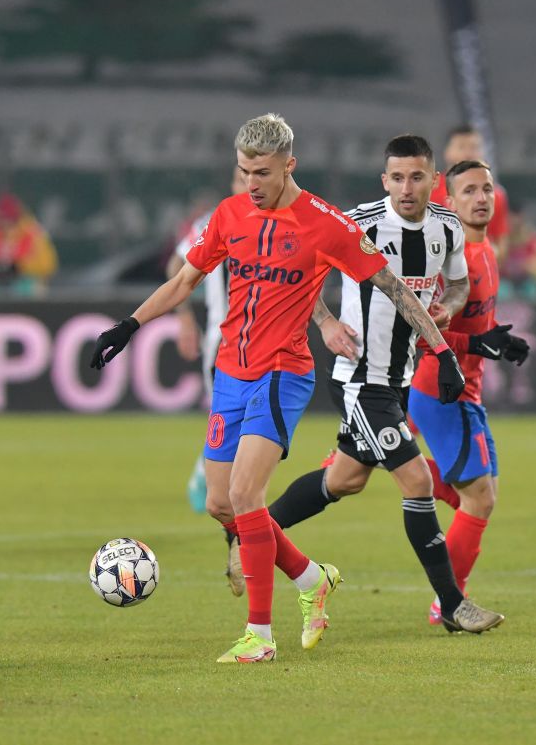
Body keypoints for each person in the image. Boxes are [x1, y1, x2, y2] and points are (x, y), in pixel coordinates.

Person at [91, 113, 475, 663]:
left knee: (248, 497)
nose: (252, 182)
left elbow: (392, 286)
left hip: (283, 373)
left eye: (263, 173)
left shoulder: (327, 225)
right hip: (230, 374)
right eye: (244, 170)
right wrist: (128, 325)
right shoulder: (229, 215)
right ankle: (310, 577)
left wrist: (439, 349)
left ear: (289, 166)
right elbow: (184, 280)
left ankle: (259, 636)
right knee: (221, 505)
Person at [268, 142, 513, 634]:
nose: (407, 188)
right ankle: (452, 605)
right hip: (360, 378)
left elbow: (459, 284)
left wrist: (446, 307)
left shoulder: (447, 228)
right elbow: (299, 269)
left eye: (417, 177)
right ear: (385, 181)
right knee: (418, 480)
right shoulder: (359, 223)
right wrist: (327, 323)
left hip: (398, 379)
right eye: (397, 178)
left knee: (344, 480)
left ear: (432, 179)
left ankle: (251, 532)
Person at [407, 160, 530, 623]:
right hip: (441, 391)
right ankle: (450, 601)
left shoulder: (487, 249)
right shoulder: (448, 263)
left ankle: (406, 468)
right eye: (469, 191)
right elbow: (426, 336)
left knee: (480, 495)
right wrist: (478, 343)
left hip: (467, 392)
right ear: (449, 202)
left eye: (487, 189)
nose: (481, 198)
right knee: (480, 496)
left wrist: (498, 337)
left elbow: (475, 322)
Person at [166, 169, 246, 518]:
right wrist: (184, 318)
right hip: (224, 342)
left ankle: (213, 478)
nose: (250, 185)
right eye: (242, 178)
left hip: (266, 344)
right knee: (232, 424)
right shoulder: (217, 220)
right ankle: (206, 476)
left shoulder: (281, 222)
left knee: (248, 426)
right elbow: (176, 264)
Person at [429, 125, 509, 258]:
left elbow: (501, 247)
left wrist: (483, 253)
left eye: (474, 148)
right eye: (461, 147)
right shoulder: (429, 191)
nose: (468, 153)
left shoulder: (496, 195)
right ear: (447, 152)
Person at [0, 192, 58, 296]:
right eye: (1, 218)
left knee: (36, 287)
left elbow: (48, 267)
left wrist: (20, 265)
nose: (5, 223)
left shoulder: (33, 233)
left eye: (9, 219)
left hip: (26, 283)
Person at [498, 202, 536, 302]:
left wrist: (531, 267)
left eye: (515, 217)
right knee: (501, 291)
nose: (512, 222)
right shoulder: (495, 241)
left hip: (528, 286)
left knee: (532, 291)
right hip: (503, 286)